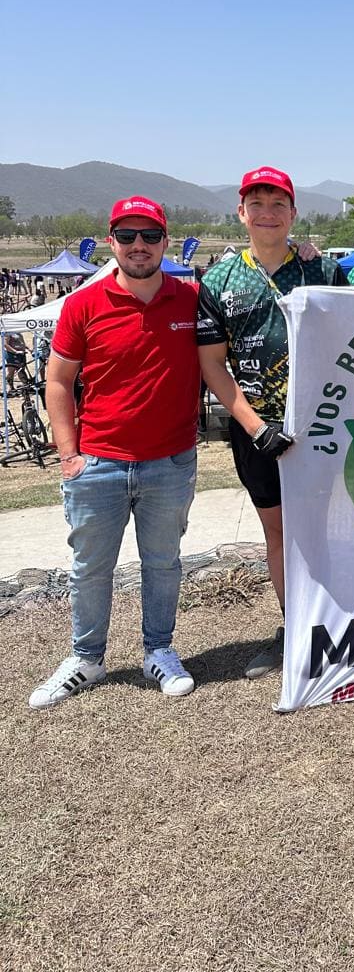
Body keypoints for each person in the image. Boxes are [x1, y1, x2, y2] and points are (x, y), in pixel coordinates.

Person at [29, 197, 200, 709]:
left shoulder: (192, 300)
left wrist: (304, 254)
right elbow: (58, 381)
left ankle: (159, 651)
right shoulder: (82, 304)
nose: (138, 245)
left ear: (165, 242)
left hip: (169, 462)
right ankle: (86, 658)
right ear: (112, 242)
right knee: (89, 568)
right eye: (127, 236)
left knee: (163, 563)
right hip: (97, 462)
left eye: (149, 235)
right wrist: (68, 455)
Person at [197, 166, 347, 678]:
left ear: (293, 213)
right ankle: (296, 626)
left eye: (278, 204)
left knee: (331, 528)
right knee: (278, 531)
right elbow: (212, 365)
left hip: (323, 425)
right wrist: (256, 426)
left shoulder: (322, 270)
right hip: (257, 431)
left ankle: (340, 622)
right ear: (241, 213)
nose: (267, 213)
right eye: (256, 204)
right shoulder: (217, 280)